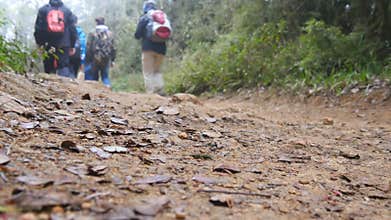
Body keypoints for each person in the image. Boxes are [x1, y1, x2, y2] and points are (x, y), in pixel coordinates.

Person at [34, 0, 77, 78]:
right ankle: (65, 86)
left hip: (47, 43)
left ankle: (48, 86)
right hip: (64, 43)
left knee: (48, 66)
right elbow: (72, 29)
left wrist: (39, 43)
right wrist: (72, 45)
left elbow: (38, 29)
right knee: (63, 66)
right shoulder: (66, 10)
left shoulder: (43, 10)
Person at [134, 0, 169, 94]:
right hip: (162, 48)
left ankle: (151, 93)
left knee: (148, 72)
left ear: (145, 8)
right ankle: (160, 90)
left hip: (148, 48)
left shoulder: (145, 17)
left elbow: (137, 34)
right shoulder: (163, 17)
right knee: (157, 70)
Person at [85, 17, 116, 88]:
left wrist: (88, 59)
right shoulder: (110, 34)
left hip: (94, 58)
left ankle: (95, 92)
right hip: (106, 58)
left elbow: (88, 47)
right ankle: (108, 89)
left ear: (97, 23)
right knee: (105, 76)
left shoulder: (92, 33)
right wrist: (113, 60)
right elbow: (113, 48)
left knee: (94, 77)